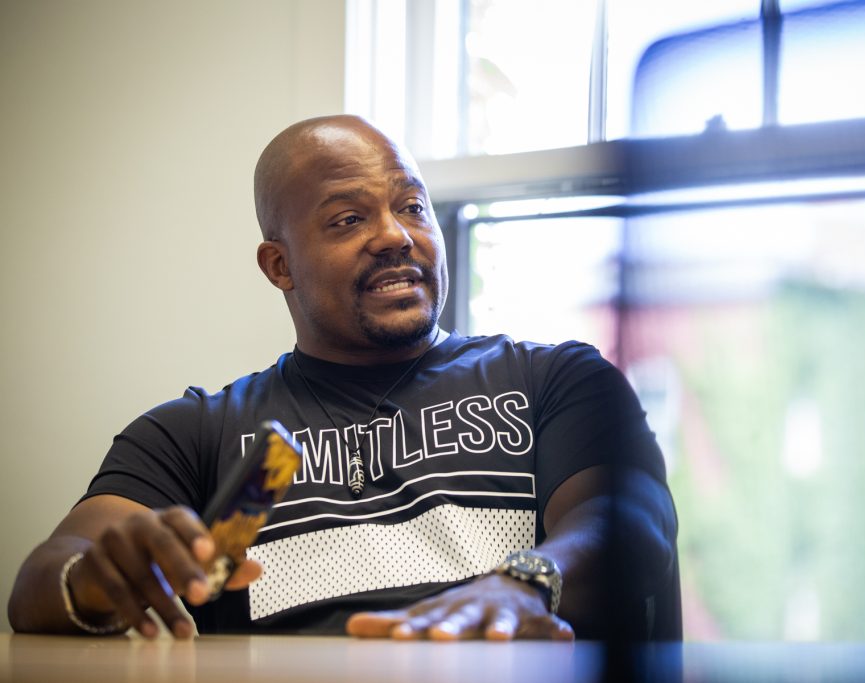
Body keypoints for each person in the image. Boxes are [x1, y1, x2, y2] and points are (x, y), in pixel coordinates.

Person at [8, 115, 678, 641]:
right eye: (349, 218)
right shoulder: (194, 432)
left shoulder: (554, 381)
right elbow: (43, 577)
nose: (396, 235)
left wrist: (525, 581)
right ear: (279, 264)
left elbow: (631, 521)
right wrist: (95, 578)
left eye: (413, 207)